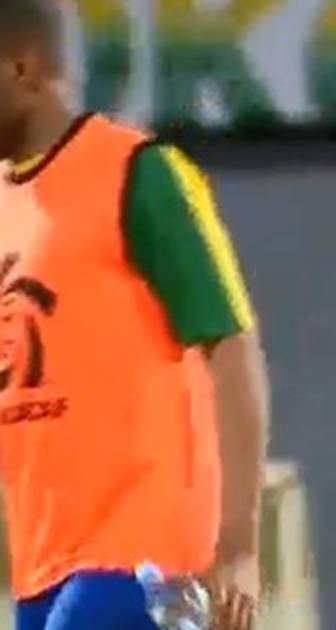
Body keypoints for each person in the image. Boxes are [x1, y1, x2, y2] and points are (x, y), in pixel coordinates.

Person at [0, 1, 269, 629]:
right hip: (41, 569)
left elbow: (231, 347)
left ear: (23, 69)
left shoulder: (141, 173)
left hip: (144, 559)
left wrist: (238, 547)